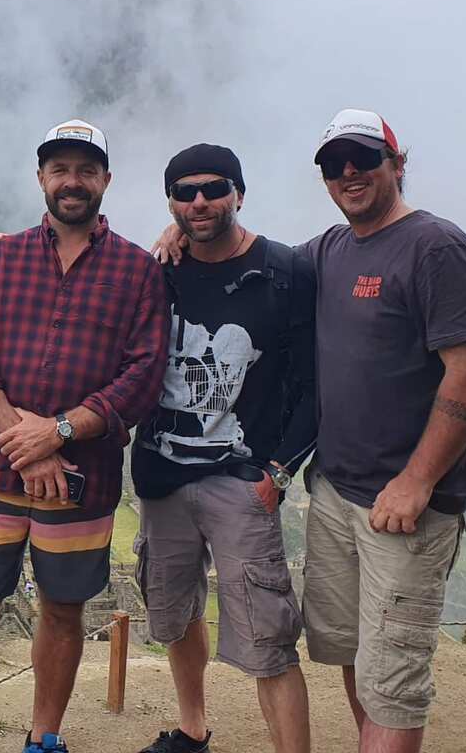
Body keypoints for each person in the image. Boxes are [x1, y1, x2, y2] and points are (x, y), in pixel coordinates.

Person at [154, 110, 466, 753]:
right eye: (333, 164)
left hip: (403, 504)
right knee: (354, 658)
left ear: (397, 163)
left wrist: (417, 482)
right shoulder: (329, 252)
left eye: (363, 159)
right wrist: (175, 234)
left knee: (391, 676)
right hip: (337, 491)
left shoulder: (436, 246)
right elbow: (247, 252)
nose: (348, 173)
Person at [0, 118, 169, 753]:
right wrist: (28, 442)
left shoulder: (138, 273)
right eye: (60, 169)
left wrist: (61, 430)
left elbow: (142, 379)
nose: (73, 181)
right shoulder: (0, 259)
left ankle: (43, 738)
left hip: (81, 484)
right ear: (41, 178)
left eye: (86, 170)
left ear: (106, 181)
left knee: (64, 613)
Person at [131, 144, 316, 753]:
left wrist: (279, 473)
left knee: (267, 633)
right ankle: (192, 728)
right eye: (185, 192)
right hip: (163, 475)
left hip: (242, 479)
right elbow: (81, 280)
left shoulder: (285, 272)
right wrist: (5, 248)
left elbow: (316, 382)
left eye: (214, 188)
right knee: (177, 614)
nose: (200, 201)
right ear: (171, 204)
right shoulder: (159, 270)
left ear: (239, 192)